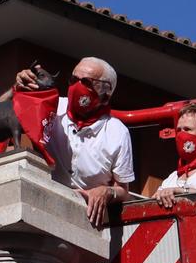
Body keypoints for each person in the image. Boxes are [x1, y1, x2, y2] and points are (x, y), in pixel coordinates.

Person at [12, 57, 135, 226]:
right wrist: (17, 89)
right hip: (41, 208)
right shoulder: (51, 106)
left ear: (106, 92)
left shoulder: (117, 132)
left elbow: (123, 191)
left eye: (86, 82)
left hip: (86, 220)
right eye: (73, 79)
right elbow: (3, 112)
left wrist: (107, 192)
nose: (77, 86)